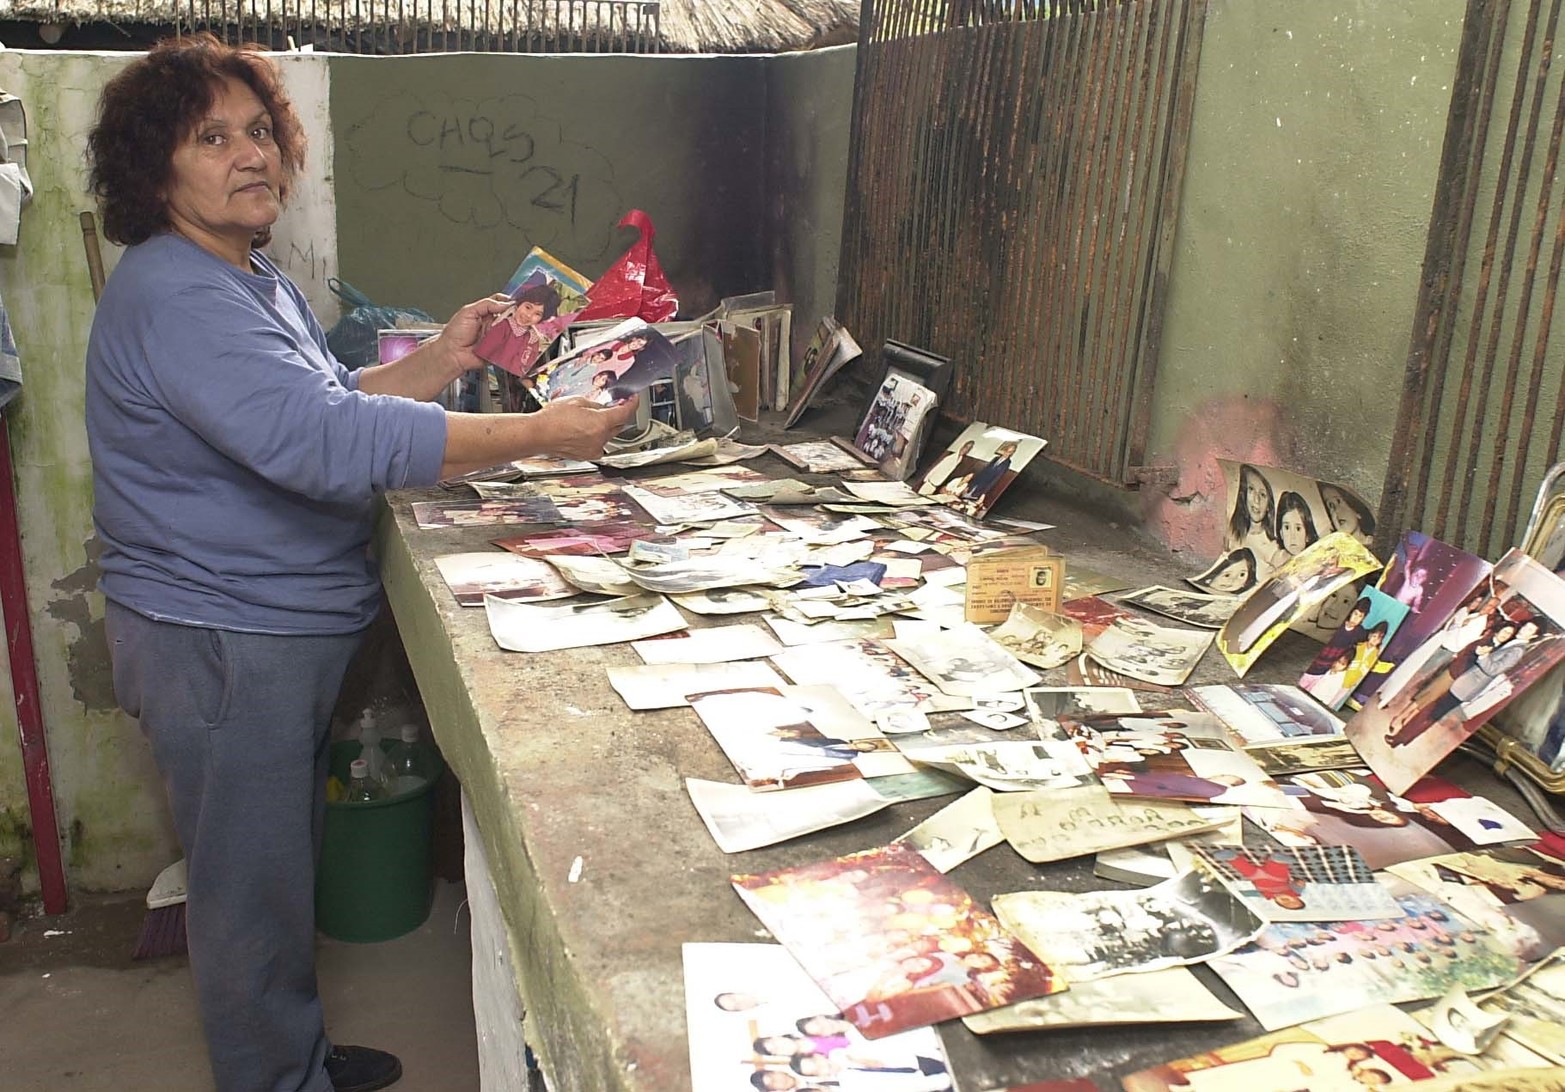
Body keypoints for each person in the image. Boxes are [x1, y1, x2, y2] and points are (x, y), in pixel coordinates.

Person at [84, 36, 638, 1092]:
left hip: (262, 630)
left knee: (276, 874)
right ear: (156, 170)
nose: (250, 156)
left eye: (258, 131)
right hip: (222, 638)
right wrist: (541, 436)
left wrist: (442, 360)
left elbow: (329, 406)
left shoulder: (246, 279)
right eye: (212, 138)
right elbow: (323, 445)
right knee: (250, 894)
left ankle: (289, 1054)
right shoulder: (176, 295)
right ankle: (276, 1078)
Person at [1275, 489, 1320, 557]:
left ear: (1308, 535)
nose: (1292, 537)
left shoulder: (1318, 557)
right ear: (1281, 533)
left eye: (1298, 528)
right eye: (1287, 528)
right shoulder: (1277, 562)